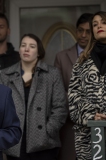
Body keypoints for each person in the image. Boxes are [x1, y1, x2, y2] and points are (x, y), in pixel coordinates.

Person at [0, 33, 67, 160]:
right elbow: (1, 108)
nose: (26, 49)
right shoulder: (6, 75)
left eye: (31, 46)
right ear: (19, 50)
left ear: (39, 52)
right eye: (23, 45)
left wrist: (48, 130)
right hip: (16, 141)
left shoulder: (52, 74)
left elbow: (60, 107)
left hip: (44, 143)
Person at [54, 13, 93, 160]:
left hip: (97, 126)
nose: (83, 35)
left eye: (88, 31)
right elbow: (58, 91)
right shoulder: (61, 57)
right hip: (71, 127)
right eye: (80, 30)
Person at [68, 11, 106, 160]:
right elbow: (73, 98)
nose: (99, 26)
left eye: (103, 22)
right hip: (88, 140)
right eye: (95, 24)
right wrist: (92, 116)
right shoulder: (81, 62)